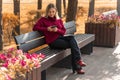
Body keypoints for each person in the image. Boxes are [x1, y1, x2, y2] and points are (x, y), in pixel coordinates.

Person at [33, 3, 86, 74]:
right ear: (47, 12)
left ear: (55, 12)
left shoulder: (58, 20)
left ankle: (78, 63)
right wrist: (46, 29)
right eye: (49, 12)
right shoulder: (43, 20)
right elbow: (35, 27)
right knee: (73, 45)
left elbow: (63, 31)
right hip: (53, 42)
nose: (51, 13)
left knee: (72, 39)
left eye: (53, 12)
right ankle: (78, 64)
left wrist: (57, 30)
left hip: (60, 38)